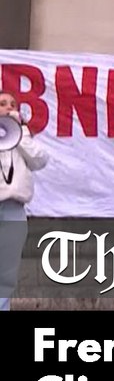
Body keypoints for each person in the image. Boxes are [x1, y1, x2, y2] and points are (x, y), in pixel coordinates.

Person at [0, 91, 49, 311]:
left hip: (13, 210)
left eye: (12, 104)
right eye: (2, 104)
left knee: (6, 273)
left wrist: (21, 134)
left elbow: (40, 159)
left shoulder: (22, 138)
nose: (9, 108)